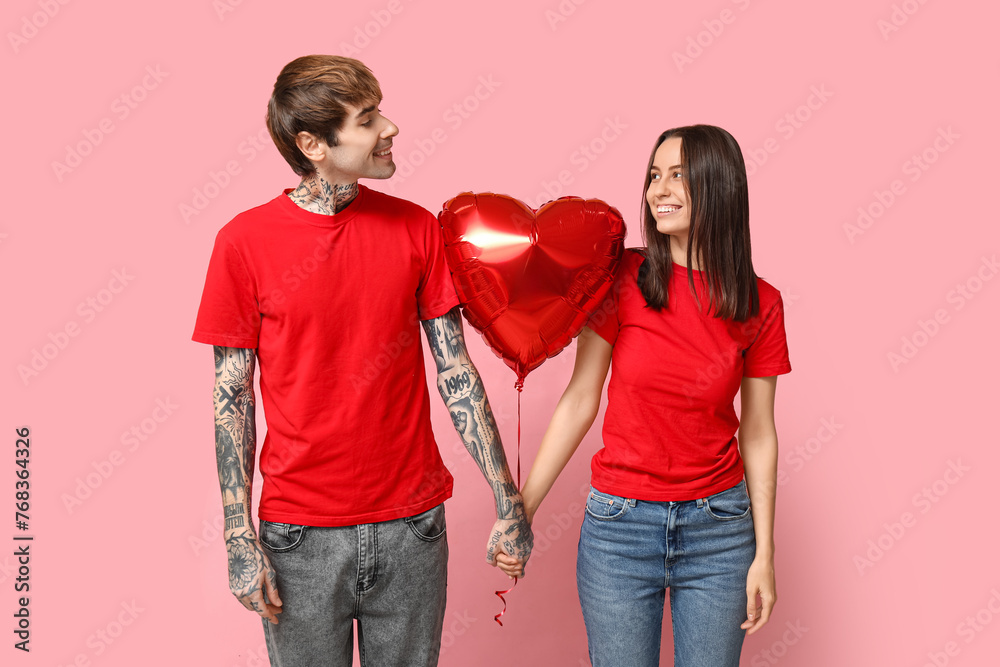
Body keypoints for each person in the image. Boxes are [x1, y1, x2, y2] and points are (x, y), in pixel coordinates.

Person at [193, 54, 532, 667]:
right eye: (369, 118)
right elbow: (231, 397)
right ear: (313, 144)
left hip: (413, 528)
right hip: (298, 536)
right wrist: (237, 535)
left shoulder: (416, 228)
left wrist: (508, 502)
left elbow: (455, 372)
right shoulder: (242, 242)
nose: (390, 128)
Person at [498, 124, 791, 666]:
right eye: (655, 175)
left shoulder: (761, 303)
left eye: (678, 175)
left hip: (720, 532)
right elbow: (581, 397)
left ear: (719, 185)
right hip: (619, 529)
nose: (659, 189)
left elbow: (758, 431)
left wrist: (764, 553)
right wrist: (523, 509)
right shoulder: (622, 277)